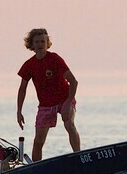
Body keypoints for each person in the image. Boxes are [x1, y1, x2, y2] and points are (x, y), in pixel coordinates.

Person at [16, 27, 81, 161]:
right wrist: (19, 111)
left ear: (47, 43)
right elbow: (22, 89)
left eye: (42, 42)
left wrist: (68, 103)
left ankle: (79, 156)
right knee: (38, 140)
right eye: (37, 42)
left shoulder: (55, 59)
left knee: (69, 123)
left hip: (64, 98)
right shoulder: (29, 65)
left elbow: (73, 82)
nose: (40, 45)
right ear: (32, 45)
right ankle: (36, 167)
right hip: (46, 104)